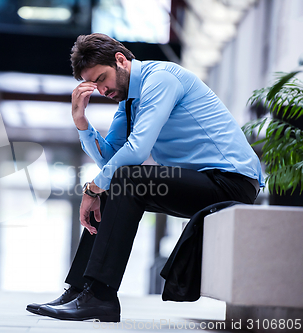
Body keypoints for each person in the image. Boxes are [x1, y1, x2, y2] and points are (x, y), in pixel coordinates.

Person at [26, 33, 264, 322]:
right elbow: (111, 161)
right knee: (119, 180)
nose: (102, 90)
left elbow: (137, 151)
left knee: (125, 178)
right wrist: (82, 124)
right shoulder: (129, 102)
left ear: (121, 60)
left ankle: (100, 296)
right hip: (201, 181)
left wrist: (92, 189)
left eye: (103, 79)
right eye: (94, 85)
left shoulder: (161, 79)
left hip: (231, 183)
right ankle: (81, 290)